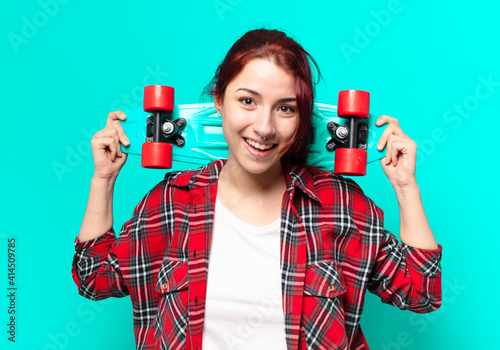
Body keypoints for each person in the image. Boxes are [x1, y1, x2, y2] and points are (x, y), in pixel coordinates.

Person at [72, 29, 442, 350]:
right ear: (218, 101)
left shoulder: (338, 204)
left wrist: (406, 186)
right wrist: (102, 181)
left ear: (302, 117)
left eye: (285, 108)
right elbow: (95, 279)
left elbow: (421, 291)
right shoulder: (173, 202)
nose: (264, 128)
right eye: (247, 101)